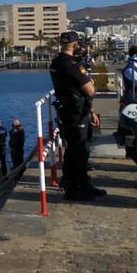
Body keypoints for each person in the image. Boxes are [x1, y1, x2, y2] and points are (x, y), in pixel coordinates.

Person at [49, 30, 103, 201]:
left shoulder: (57, 62)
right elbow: (90, 89)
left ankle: (84, 183)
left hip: (75, 110)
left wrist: (91, 111)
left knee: (81, 148)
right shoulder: (69, 64)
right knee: (77, 150)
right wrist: (89, 82)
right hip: (75, 112)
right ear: (75, 44)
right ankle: (72, 188)